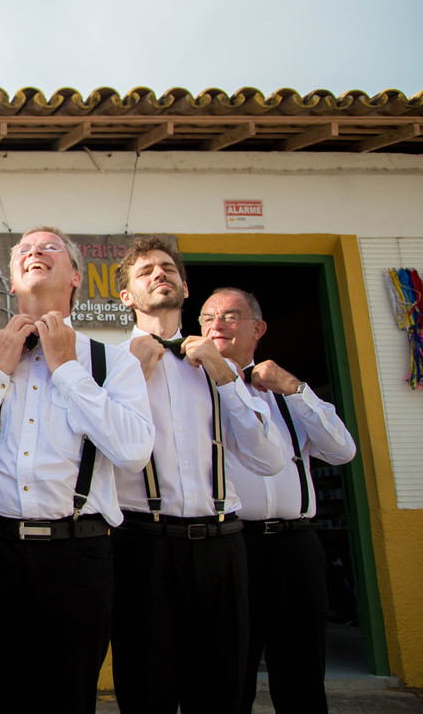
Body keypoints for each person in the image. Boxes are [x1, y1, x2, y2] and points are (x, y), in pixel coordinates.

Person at [0, 226, 154, 713]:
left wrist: (67, 370)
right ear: (13, 282)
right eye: (25, 251)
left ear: (76, 276)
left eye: (49, 247)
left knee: (69, 698)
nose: (35, 252)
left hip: (79, 555)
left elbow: (134, 451)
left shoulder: (112, 363)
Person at [111, 236, 285, 714]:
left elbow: (269, 459)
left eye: (167, 268)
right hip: (142, 545)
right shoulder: (107, 365)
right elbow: (93, 449)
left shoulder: (221, 366)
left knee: (223, 692)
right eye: (144, 271)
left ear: (186, 288)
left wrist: (224, 374)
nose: (158, 275)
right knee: (147, 692)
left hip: (224, 546)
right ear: (126, 296)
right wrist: (132, 375)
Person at [200, 287, 357, 714]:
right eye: (209, 317)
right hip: (232, 542)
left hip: (296, 547)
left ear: (258, 328)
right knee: (229, 672)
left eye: (231, 316)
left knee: (303, 673)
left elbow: (342, 451)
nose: (218, 325)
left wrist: (292, 386)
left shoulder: (287, 396)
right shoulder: (196, 391)